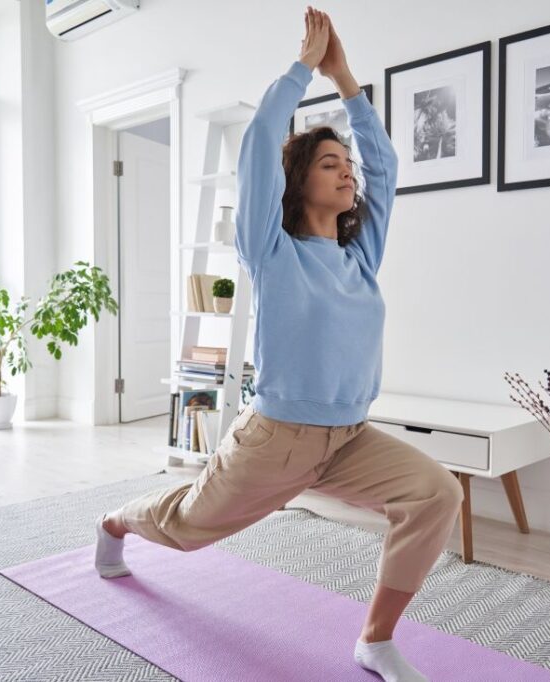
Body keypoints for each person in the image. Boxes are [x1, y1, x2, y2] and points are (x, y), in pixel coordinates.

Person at [94, 8, 463, 681]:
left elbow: (385, 167)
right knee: (183, 530)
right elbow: (263, 141)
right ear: (299, 185)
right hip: (275, 440)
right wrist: (304, 70)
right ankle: (117, 521)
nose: (347, 172)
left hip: (350, 439)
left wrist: (347, 79)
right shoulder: (271, 251)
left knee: (436, 492)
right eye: (330, 164)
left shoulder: (361, 256)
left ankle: (375, 639)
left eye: (346, 164)